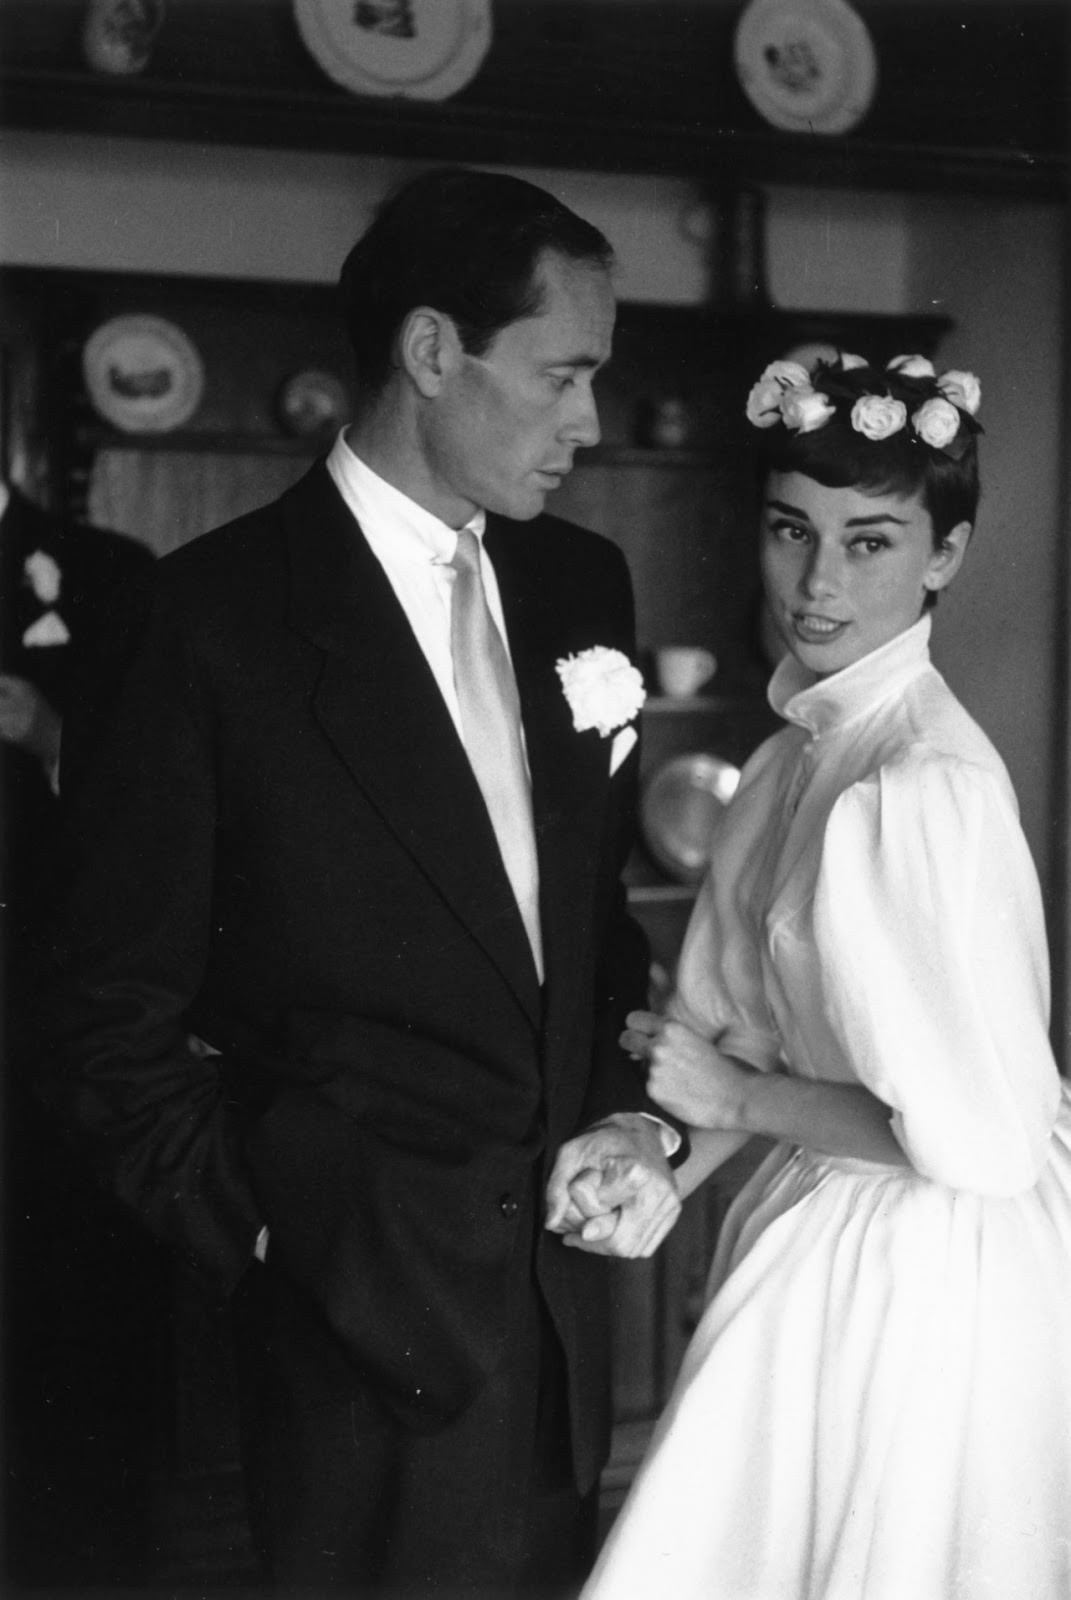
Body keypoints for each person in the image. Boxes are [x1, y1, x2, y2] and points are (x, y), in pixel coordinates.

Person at [28, 167, 686, 1597]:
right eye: (560, 374)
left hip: (567, 1322)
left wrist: (629, 1122)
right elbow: (102, 1022)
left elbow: (587, 938)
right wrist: (279, 1240)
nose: (585, 422)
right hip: (350, 1347)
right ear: (433, 350)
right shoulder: (206, 622)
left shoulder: (581, 587)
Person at [581, 352, 1071, 1600]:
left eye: (871, 542)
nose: (818, 581)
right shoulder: (796, 761)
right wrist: (665, 1160)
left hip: (927, 1271)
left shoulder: (923, 789)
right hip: (819, 1214)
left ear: (945, 556)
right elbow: (736, 1041)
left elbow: (984, 1141)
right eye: (795, 531)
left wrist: (735, 1109)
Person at [0, 481, 165, 1587]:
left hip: (42, 1035)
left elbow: (162, 796)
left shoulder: (109, 576)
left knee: (63, 1321)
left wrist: (43, 728)